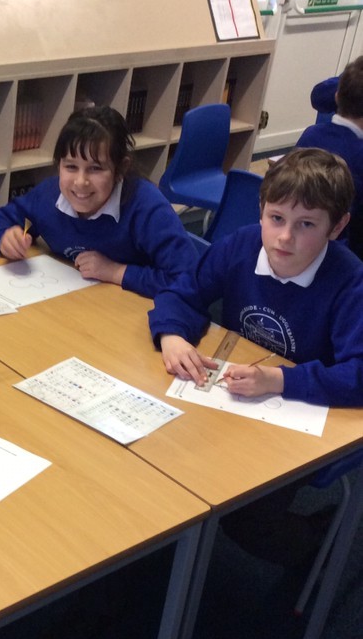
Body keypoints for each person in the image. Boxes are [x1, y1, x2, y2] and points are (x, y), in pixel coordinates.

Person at [149, 148, 363, 567]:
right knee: (162, 458)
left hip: (300, 418)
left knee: (246, 516)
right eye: (276, 218)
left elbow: (358, 374)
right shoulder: (243, 244)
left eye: (306, 225)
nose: (285, 237)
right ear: (261, 210)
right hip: (230, 403)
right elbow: (181, 293)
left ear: (337, 227)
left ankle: (315, 543)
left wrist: (280, 380)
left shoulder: (350, 281)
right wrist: (172, 335)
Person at [0, 106, 198, 299]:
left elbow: (190, 279)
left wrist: (115, 271)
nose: (80, 182)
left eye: (95, 169)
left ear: (120, 169)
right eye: (70, 167)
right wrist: (4, 237)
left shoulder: (147, 208)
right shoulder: (49, 195)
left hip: (132, 311)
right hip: (74, 302)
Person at [296, 56, 363, 257]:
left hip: (301, 238)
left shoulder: (311, 134)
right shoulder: (358, 155)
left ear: (337, 97)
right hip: (342, 253)